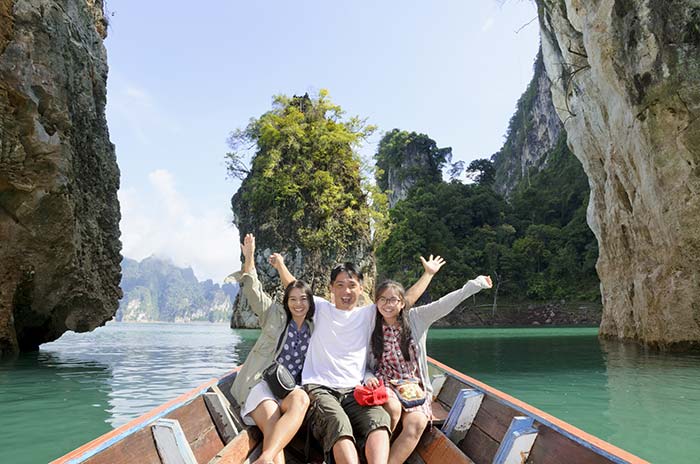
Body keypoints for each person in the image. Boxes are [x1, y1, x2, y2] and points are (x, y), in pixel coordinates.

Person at [274, 254, 446, 464]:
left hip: (356, 390)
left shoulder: (369, 314)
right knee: (339, 424)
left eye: (352, 285)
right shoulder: (319, 308)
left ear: (361, 288)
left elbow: (404, 300)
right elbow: (294, 287)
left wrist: (428, 274)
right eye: (340, 285)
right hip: (319, 387)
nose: (346, 291)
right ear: (331, 288)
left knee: (380, 420)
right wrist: (281, 265)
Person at [365, 275, 493, 464]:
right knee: (391, 409)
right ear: (376, 302)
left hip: (414, 386)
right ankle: (375, 456)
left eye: (393, 299)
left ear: (402, 303)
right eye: (382, 299)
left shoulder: (416, 318)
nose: (387, 304)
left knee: (417, 423)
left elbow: (444, 303)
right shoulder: (370, 325)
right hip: (385, 381)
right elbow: (365, 364)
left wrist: (474, 286)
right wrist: (368, 376)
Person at [227, 234, 315, 464]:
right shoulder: (273, 314)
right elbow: (253, 290)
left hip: (288, 387)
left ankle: (264, 459)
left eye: (303, 299)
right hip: (260, 383)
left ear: (310, 302)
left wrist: (282, 266)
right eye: (292, 299)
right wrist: (249, 258)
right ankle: (267, 459)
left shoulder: (315, 326)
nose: (298, 304)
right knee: (273, 423)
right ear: (286, 301)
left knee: (302, 400)